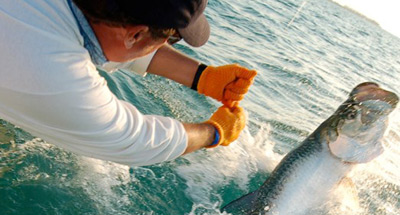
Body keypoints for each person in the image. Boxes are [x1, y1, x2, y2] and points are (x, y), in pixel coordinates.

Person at [0, 0, 256, 166]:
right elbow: (133, 140)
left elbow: (108, 38)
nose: (168, 43)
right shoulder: (52, 70)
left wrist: (203, 77)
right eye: (172, 37)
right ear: (137, 33)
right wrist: (215, 132)